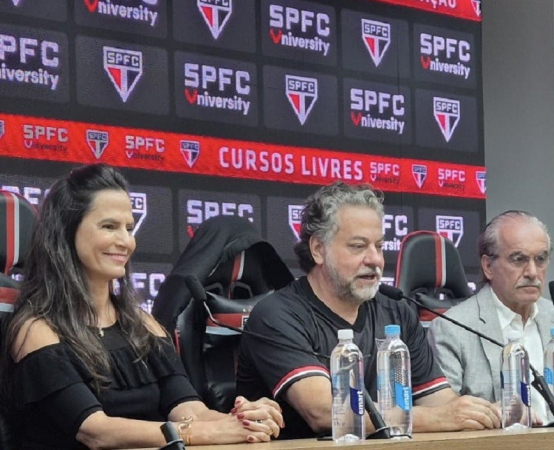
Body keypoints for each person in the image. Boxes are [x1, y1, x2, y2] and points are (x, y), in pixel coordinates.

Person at [0, 164, 283, 450]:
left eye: (129, 228)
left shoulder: (142, 323)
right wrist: (207, 433)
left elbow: (190, 410)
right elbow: (97, 432)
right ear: (66, 233)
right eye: (109, 227)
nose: (125, 241)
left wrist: (244, 421)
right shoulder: (35, 329)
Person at [236, 182, 500, 439]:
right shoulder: (277, 315)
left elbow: (440, 402)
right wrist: (432, 419)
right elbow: (327, 412)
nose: (375, 259)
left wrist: (481, 414)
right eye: (358, 246)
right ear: (318, 249)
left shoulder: (397, 310)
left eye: (379, 246)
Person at [428, 210, 554, 424]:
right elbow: (450, 415)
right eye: (519, 259)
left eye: (540, 259)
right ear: (488, 266)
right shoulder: (453, 329)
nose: (532, 272)